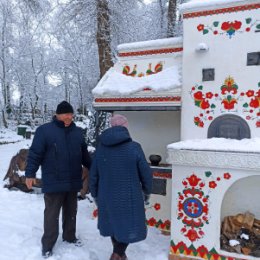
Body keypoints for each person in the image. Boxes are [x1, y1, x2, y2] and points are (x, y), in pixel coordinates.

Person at [25, 101, 91, 258]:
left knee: (71, 212)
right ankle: (47, 245)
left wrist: (95, 169)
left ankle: (69, 237)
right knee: (51, 215)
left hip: (73, 180)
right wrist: (30, 174)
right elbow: (35, 154)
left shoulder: (77, 132)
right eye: (66, 114)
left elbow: (85, 155)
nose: (69, 117)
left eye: (71, 114)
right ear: (57, 114)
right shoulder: (44, 131)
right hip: (54, 180)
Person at [90, 114, 152, 260]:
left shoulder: (101, 149)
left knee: (113, 224)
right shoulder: (135, 147)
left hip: (106, 195)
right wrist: (147, 190)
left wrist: (95, 193)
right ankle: (117, 254)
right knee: (127, 225)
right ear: (125, 127)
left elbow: (94, 174)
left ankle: (120, 254)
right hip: (129, 195)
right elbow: (146, 173)